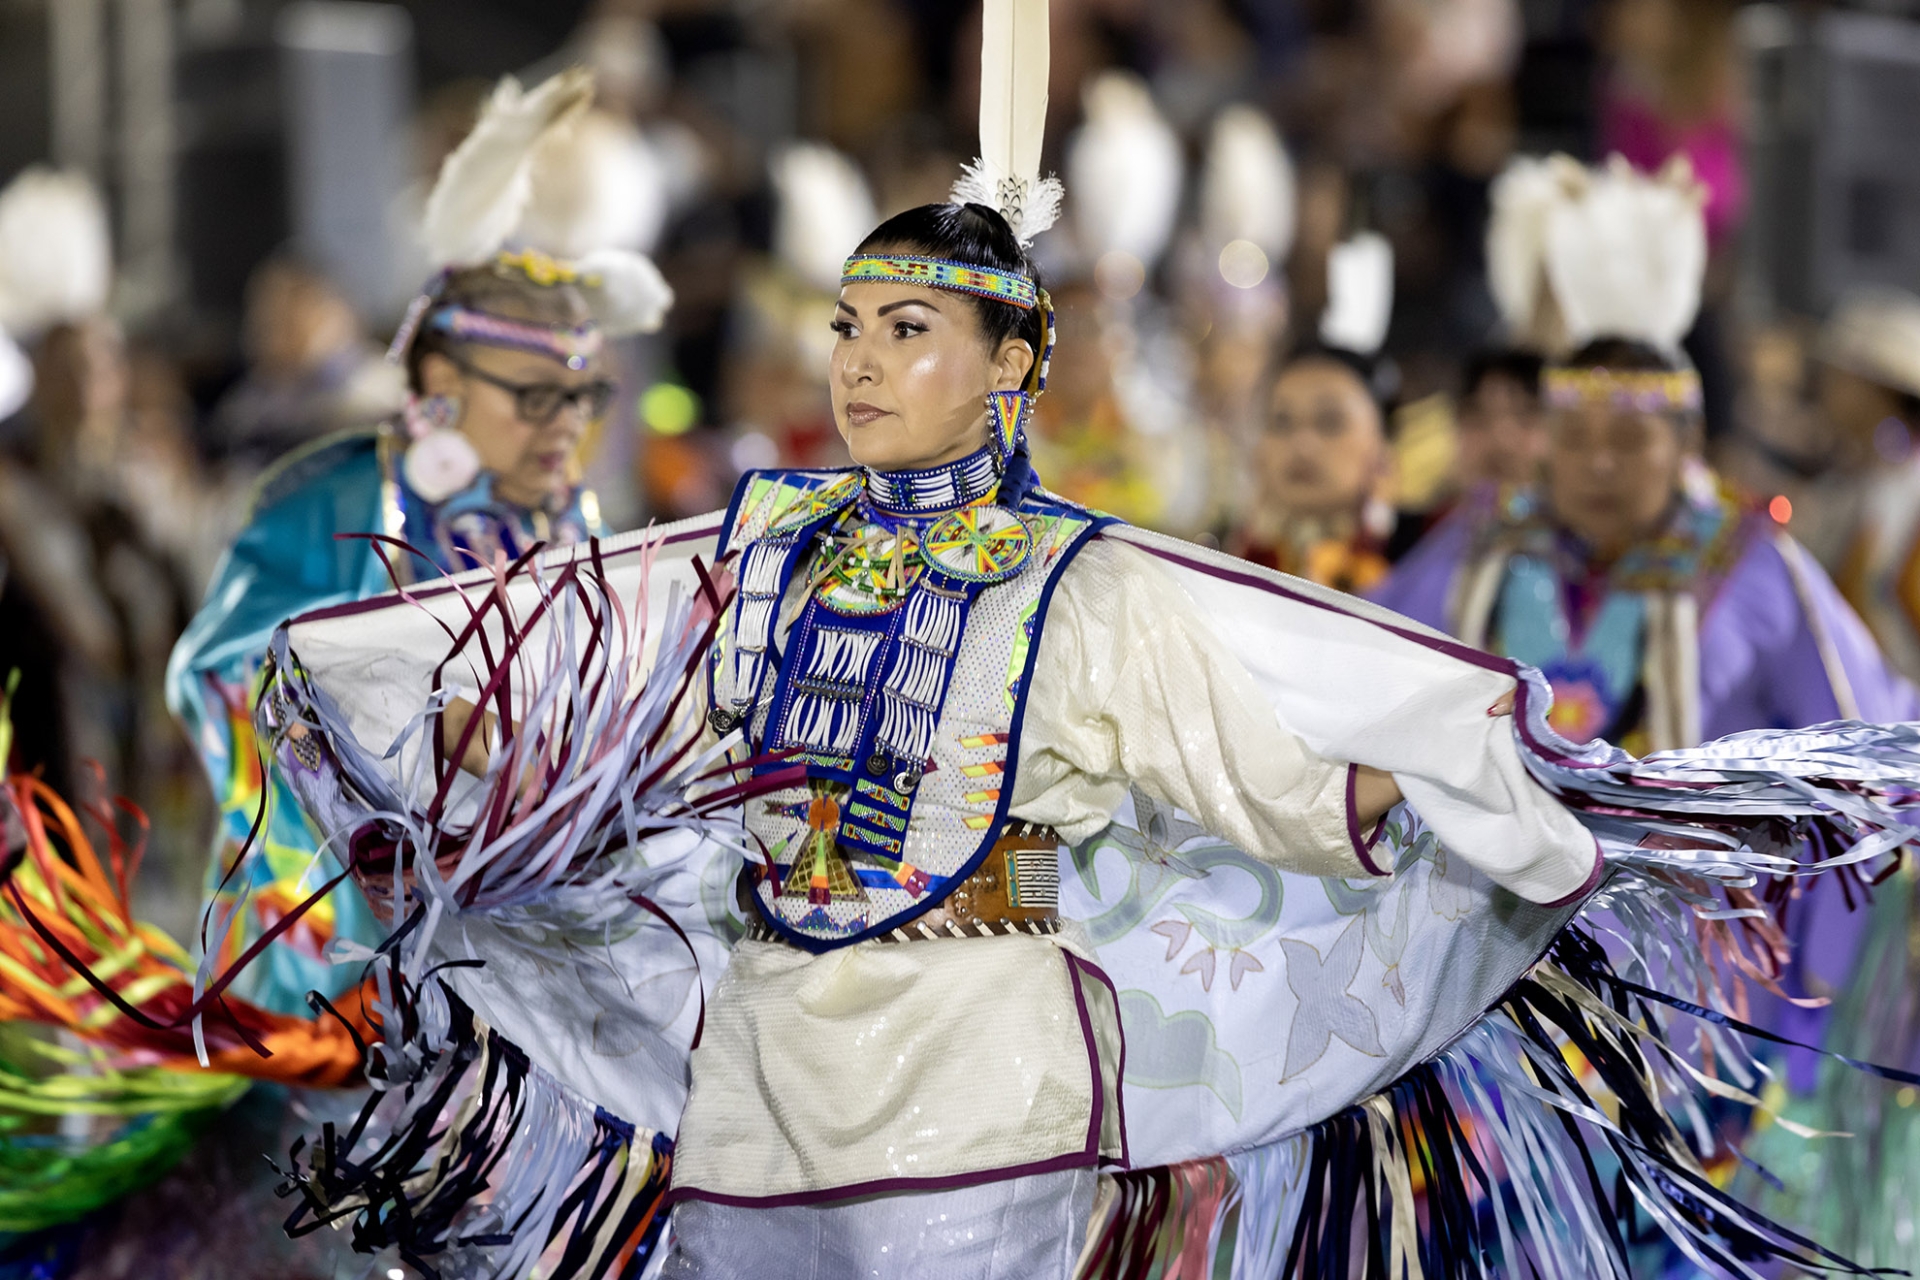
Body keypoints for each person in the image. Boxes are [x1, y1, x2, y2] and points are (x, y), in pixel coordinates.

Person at [247, 22, 1920, 1274]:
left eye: (908, 332)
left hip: (988, 1083)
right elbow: (582, 664)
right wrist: (386, 702)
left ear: (1008, 366)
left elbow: (1270, 766)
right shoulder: (757, 550)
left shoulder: (1091, 585)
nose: (858, 365)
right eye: (849, 329)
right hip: (760, 1075)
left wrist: (1454, 796)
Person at [168, 66, 669, 1015]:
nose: (566, 425)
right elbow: (218, 673)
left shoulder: (565, 520)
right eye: (534, 398)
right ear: (440, 377)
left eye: (582, 398)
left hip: (519, 958)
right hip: (327, 970)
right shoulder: (336, 500)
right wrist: (400, 734)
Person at [1228, 343, 1399, 591]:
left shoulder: (1420, 559)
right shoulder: (1211, 555)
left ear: (1383, 445)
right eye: (1282, 421)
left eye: (1329, 422)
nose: (1302, 445)